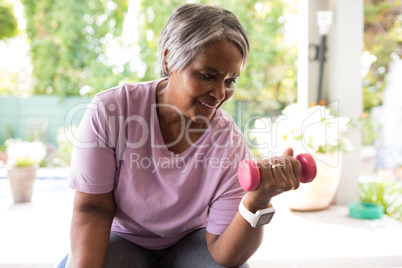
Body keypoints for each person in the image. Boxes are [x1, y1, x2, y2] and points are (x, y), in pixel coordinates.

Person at [60, 3, 301, 268]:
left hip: (192, 240)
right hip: (123, 238)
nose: (221, 94)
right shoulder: (111, 110)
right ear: (169, 59)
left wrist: (257, 200)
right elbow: (92, 208)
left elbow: (226, 256)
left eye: (231, 81)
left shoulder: (228, 142)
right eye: (207, 76)